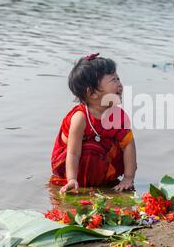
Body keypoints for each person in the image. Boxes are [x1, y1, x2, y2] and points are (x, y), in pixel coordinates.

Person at [50, 53, 137, 194]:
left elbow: (129, 146)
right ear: (93, 93)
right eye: (113, 80)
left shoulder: (119, 117)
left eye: (118, 78)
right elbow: (73, 153)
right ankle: (77, 183)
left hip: (101, 164)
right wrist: (71, 178)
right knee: (90, 147)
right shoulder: (80, 117)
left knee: (121, 143)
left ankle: (104, 183)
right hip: (72, 165)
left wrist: (128, 178)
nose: (120, 84)